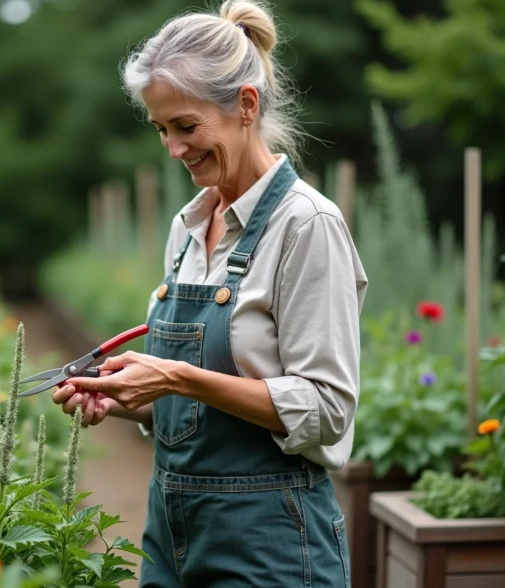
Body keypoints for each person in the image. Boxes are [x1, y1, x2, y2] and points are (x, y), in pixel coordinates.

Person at [52, 1, 368, 585]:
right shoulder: (189, 226)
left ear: (246, 105)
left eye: (186, 126)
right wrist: (132, 398)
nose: (172, 148)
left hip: (269, 542)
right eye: (161, 130)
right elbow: (205, 407)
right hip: (169, 536)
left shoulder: (306, 226)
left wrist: (174, 377)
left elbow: (326, 410)